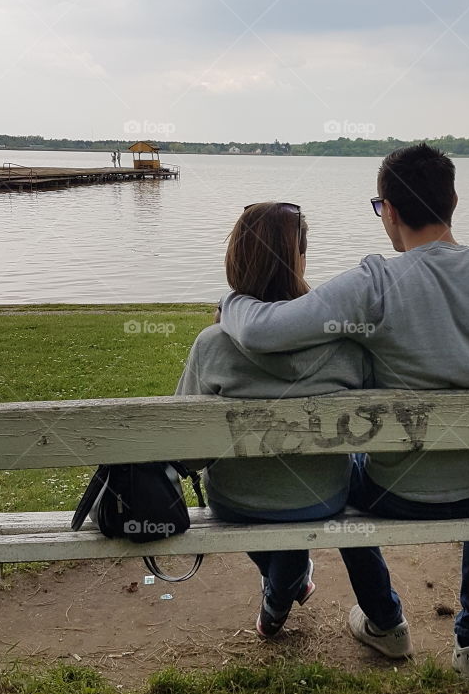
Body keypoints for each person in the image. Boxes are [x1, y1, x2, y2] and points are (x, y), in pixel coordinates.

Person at [218, 144, 469, 680]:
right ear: (452, 200)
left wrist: (231, 303)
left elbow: (263, 332)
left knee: (343, 477)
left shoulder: (374, 286)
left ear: (388, 210)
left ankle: (385, 621)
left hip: (395, 494)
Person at [175, 202, 409, 649]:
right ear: (299, 258)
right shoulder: (344, 345)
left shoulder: (211, 345)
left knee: (274, 489)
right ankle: (376, 614)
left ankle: (280, 595)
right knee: (325, 482)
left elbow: (187, 449)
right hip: (323, 497)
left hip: (235, 502)